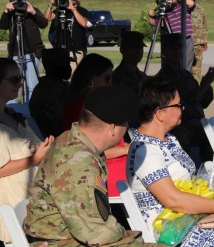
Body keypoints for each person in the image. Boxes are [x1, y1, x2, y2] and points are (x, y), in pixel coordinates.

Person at [127, 76, 214, 247]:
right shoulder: (145, 149)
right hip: (170, 230)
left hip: (187, 217)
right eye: (178, 105)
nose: (183, 108)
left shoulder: (168, 139)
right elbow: (173, 200)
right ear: (160, 113)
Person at [23, 85, 156, 246]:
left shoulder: (74, 139)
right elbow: (93, 233)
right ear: (113, 128)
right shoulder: (78, 162)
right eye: (125, 123)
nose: (127, 127)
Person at [0, 58, 54, 244]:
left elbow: (37, 146)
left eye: (21, 78)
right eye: (14, 80)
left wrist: (45, 148)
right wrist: (34, 159)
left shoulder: (15, 116)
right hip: (11, 201)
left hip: (32, 198)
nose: (20, 83)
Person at [61, 54, 128, 198]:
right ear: (92, 79)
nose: (110, 84)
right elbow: (84, 151)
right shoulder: (79, 109)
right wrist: (126, 149)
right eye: (107, 78)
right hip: (103, 174)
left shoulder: (96, 105)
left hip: (117, 170)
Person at [156, 33, 214, 164]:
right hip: (179, 125)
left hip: (196, 122)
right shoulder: (164, 78)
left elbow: (203, 102)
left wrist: (206, 85)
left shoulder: (186, 75)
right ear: (165, 51)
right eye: (173, 48)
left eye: (179, 48)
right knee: (201, 134)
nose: (177, 52)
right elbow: (183, 105)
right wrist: (204, 86)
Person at [0, 0, 48, 104]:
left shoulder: (33, 11)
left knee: (32, 85)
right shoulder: (11, 14)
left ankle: (31, 110)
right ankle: (10, 110)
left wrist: (32, 12)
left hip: (31, 53)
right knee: (11, 84)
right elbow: (2, 26)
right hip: (15, 53)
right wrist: (6, 11)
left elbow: (44, 23)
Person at [147, 0, 195, 70]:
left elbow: (191, 3)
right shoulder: (165, 11)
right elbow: (154, 23)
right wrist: (150, 15)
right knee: (173, 68)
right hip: (173, 43)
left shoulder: (183, 5)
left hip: (186, 40)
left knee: (186, 68)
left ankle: (185, 82)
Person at [28, 48, 72, 138]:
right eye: (66, 64)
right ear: (55, 67)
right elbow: (60, 124)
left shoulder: (54, 86)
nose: (70, 68)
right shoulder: (49, 92)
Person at [43, 0, 89, 68]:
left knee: (73, 79)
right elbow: (46, 19)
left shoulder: (82, 10)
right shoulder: (59, 10)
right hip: (59, 50)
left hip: (75, 50)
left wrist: (73, 9)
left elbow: (84, 23)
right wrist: (50, 5)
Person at [186, 0, 208, 80]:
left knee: (197, 70)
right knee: (187, 68)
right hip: (187, 43)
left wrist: (205, 41)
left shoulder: (200, 9)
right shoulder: (183, 8)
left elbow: (204, 26)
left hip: (198, 44)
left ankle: (196, 89)